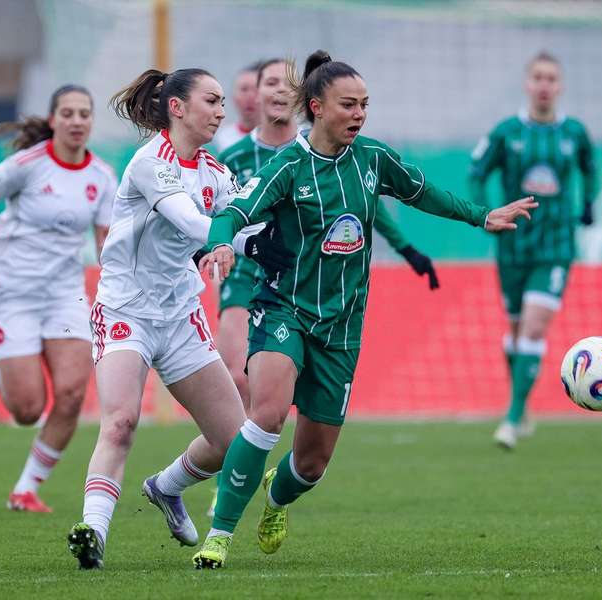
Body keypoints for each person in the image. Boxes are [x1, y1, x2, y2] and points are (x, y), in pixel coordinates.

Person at [193, 50, 537, 569]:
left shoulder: (373, 159)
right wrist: (218, 244)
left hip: (343, 325)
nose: (359, 114)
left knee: (310, 464)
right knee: (265, 413)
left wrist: (481, 216)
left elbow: (425, 194)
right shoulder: (289, 164)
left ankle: (276, 497)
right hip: (284, 308)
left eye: (365, 105)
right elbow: (235, 211)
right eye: (348, 105)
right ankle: (218, 536)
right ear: (317, 106)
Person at [65, 67, 294, 570]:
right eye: (211, 101)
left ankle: (166, 488)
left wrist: (275, 241)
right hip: (126, 310)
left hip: (181, 316)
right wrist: (232, 240)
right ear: (177, 106)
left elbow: (239, 226)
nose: (221, 111)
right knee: (121, 421)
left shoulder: (214, 171)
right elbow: (192, 222)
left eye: (220, 103)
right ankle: (93, 531)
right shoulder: (152, 162)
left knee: (236, 445)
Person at [205, 57, 439, 517]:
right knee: (246, 385)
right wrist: (226, 244)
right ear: (249, 95)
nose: (274, 91)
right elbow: (214, 213)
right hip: (251, 280)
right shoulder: (232, 158)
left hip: (325, 292)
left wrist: (407, 249)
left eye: (281, 83)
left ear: (297, 100)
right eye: (265, 82)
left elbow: (364, 207)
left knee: (307, 455)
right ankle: (228, 492)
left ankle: (228, 478)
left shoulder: (341, 154)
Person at [0, 85, 117, 513]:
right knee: (26, 410)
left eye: (84, 113)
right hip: (13, 291)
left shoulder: (101, 177)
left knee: (71, 395)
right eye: (68, 113)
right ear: (52, 120)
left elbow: (106, 244)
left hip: (64, 293)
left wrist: (118, 287)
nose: (77, 121)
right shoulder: (27, 164)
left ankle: (25, 490)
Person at [468, 51, 596, 450]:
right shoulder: (507, 131)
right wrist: (485, 213)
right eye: (538, 77)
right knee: (518, 331)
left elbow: (591, 168)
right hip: (513, 246)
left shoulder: (574, 132)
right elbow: (476, 173)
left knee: (535, 327)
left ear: (560, 87)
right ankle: (521, 407)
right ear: (528, 84)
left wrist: (588, 204)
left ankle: (510, 418)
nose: (544, 85)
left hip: (556, 245)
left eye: (551, 79)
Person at [212, 62, 261, 152]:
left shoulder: (281, 140)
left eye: (256, 89)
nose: (250, 97)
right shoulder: (218, 140)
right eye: (244, 89)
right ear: (233, 97)